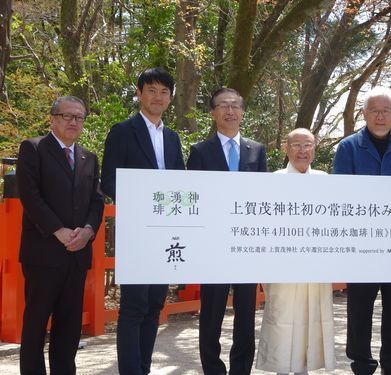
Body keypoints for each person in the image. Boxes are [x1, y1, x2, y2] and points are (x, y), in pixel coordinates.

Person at [333, 86, 391, 375]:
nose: (380, 116)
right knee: (359, 311)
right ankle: (362, 365)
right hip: (362, 247)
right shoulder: (348, 147)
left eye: (386, 110)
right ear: (364, 114)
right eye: (374, 110)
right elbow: (339, 194)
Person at [101, 67, 185, 375]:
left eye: (164, 92)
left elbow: (181, 185)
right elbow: (108, 180)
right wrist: (143, 200)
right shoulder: (122, 131)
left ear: (170, 98)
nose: (158, 97)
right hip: (137, 229)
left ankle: (144, 368)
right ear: (139, 93)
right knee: (134, 306)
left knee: (154, 305)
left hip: (165, 233)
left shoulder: (173, 138)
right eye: (151, 90)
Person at [16, 95, 104, 374]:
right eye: (67, 116)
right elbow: (30, 196)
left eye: (79, 117)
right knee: (36, 323)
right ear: (53, 118)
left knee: (69, 325)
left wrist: (89, 231)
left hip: (77, 254)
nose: (73, 122)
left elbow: (96, 200)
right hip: (43, 252)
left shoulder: (89, 157)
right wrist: (59, 230)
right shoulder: (33, 148)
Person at [187, 87, 267, 375]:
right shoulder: (199, 151)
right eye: (224, 106)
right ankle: (212, 369)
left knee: (246, 313)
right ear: (213, 113)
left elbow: (263, 198)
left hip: (246, 245)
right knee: (212, 313)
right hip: (213, 246)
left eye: (235, 106)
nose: (230, 111)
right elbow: (193, 198)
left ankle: (241, 368)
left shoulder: (256, 150)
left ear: (243, 112)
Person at [256, 128, 336, 375]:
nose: (303, 151)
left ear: (314, 148)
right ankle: (281, 369)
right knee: (282, 317)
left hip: (316, 263)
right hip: (282, 263)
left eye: (308, 145)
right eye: (297, 146)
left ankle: (304, 369)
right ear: (286, 149)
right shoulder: (274, 180)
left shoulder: (325, 180)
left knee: (312, 316)